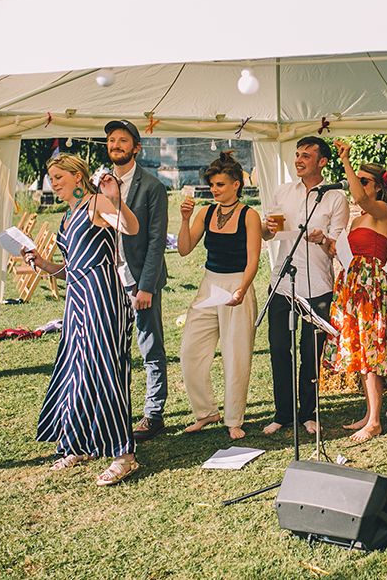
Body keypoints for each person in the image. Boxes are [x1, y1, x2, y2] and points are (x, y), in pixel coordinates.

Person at [25, 154, 140, 486]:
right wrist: (44, 265)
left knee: (106, 371)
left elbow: (130, 227)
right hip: (76, 304)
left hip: (104, 299)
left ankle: (124, 456)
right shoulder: (66, 216)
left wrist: (116, 201)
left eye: (59, 177)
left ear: (78, 176)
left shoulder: (95, 203)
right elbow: (71, 268)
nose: (54, 183)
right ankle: (79, 444)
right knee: (74, 371)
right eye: (51, 178)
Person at [262, 136, 350, 436]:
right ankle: (282, 413)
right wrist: (266, 228)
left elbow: (338, 247)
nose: (298, 160)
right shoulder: (283, 191)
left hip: (319, 285)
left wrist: (323, 239)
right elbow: (267, 234)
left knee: (310, 352)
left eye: (306, 156)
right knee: (278, 348)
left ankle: (308, 412)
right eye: (297, 155)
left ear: (322, 162)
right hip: (282, 282)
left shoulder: (335, 197)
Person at [311, 142, 387, 442]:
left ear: (378, 186)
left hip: (370, 286)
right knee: (359, 349)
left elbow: (358, 197)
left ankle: (374, 421)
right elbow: (344, 251)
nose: (358, 185)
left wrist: (345, 159)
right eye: (357, 179)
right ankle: (369, 412)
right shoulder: (359, 219)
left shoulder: (382, 210)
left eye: (364, 180)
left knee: (371, 351)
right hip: (351, 283)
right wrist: (325, 242)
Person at [177, 151, 261, 440]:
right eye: (212, 184)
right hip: (209, 284)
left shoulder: (250, 215)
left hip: (238, 282)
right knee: (190, 350)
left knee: (236, 355)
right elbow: (184, 249)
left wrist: (242, 288)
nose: (214, 189)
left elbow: (254, 260)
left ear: (236, 184)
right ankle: (206, 411)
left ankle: (233, 418)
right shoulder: (206, 212)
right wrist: (185, 219)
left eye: (220, 184)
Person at [105, 119, 169, 442]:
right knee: (114, 349)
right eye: (112, 140)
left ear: (136, 148)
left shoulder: (153, 187)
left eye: (122, 140)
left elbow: (157, 241)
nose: (115, 145)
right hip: (108, 280)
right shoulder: (100, 184)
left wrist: (145, 286)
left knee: (149, 348)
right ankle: (115, 412)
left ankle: (153, 414)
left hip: (140, 280)